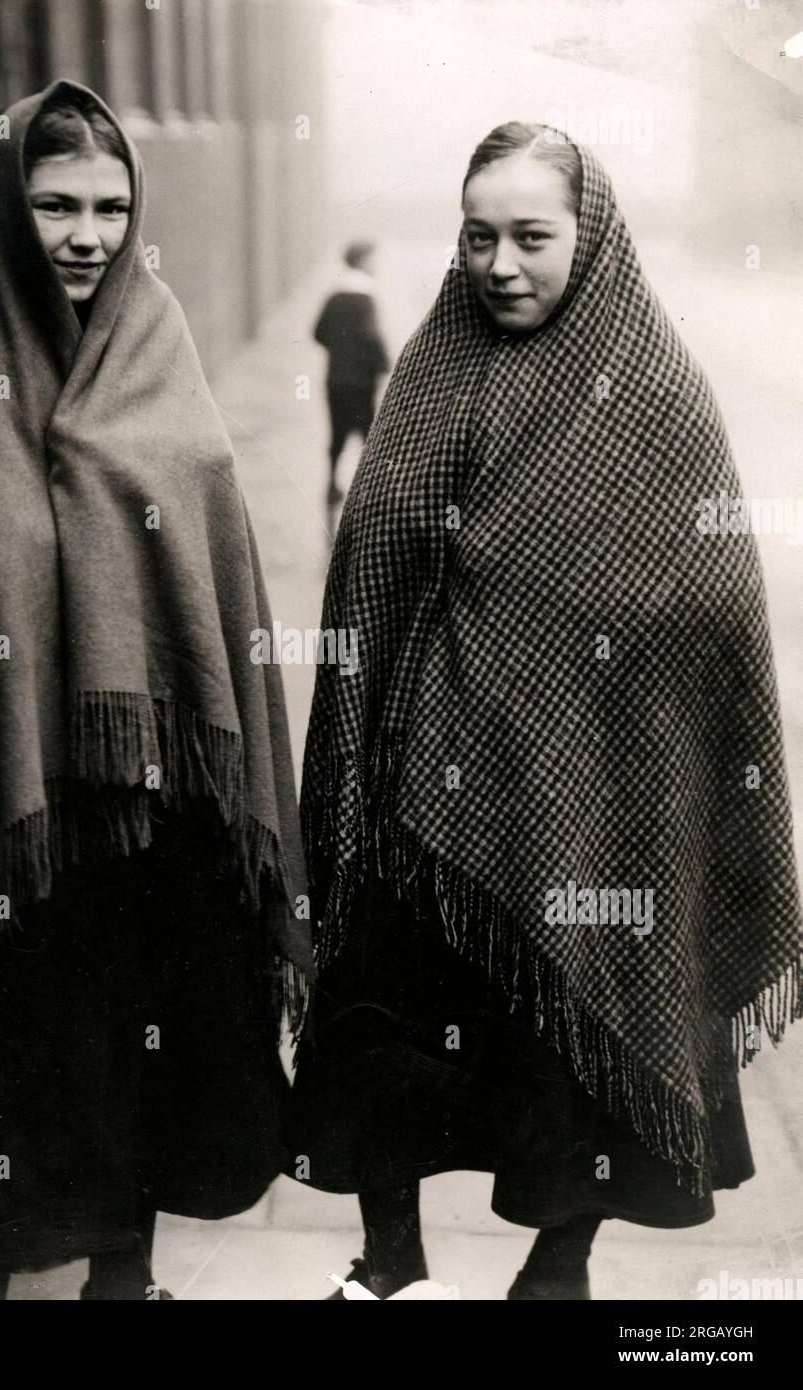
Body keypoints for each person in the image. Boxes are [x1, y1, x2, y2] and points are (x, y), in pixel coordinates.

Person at [291, 122, 803, 1300]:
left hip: (589, 804)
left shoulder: (658, 394)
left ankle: (558, 1257)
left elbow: (706, 611)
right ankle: (394, 1255)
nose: (500, 264)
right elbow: (367, 559)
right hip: (421, 795)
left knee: (567, 1058)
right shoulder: (428, 367)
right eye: (479, 237)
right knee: (385, 1021)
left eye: (532, 236)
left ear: (593, 237)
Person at [0, 80, 312, 1301]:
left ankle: (126, 1283)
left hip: (152, 836)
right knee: (4, 1112)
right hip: (9, 845)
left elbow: (210, 577)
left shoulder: (157, 340)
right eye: (56, 204)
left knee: (142, 1100)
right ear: (6, 202)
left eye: (110, 207)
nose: (88, 236)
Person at [313, 241, 390, 504]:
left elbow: (318, 332)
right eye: (372, 259)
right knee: (369, 433)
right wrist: (382, 364)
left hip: (335, 378)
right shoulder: (366, 297)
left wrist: (340, 350)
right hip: (361, 381)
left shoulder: (334, 296)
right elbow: (371, 336)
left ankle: (332, 484)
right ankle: (373, 489)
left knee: (337, 432)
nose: (376, 264)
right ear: (360, 261)